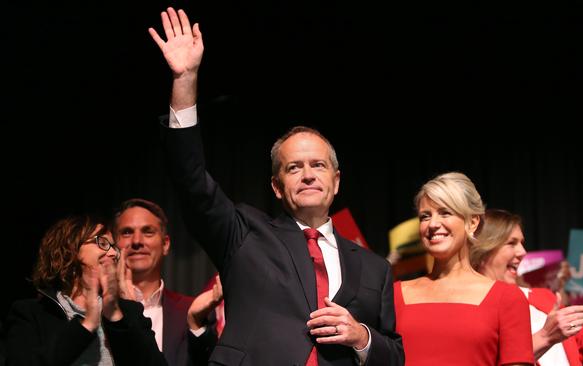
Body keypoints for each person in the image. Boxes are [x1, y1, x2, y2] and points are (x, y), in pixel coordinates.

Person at [149, 7, 404, 365]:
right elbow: (190, 179)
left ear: (336, 180)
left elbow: (394, 355)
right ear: (277, 186)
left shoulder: (375, 268)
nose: (308, 174)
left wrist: (362, 337)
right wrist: (185, 80)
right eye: (294, 168)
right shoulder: (242, 234)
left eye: (318, 165)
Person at [472, 208, 583, 365]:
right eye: (511, 243)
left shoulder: (542, 298)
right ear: (484, 250)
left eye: (521, 243)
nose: (523, 252)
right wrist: (545, 337)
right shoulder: (469, 309)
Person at [393, 172, 534, 365]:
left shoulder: (507, 298)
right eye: (425, 216)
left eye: (445, 212)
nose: (433, 224)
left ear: (473, 222)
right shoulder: (394, 294)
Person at [4, 215, 167, 365]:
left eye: (113, 247)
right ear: (71, 248)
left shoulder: (128, 312)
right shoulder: (31, 313)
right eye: (102, 243)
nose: (112, 253)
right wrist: (86, 325)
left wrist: (115, 316)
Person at [113, 198, 218, 365]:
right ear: (114, 244)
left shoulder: (192, 311)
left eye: (148, 231)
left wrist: (195, 325)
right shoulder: (101, 309)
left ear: (165, 244)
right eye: (127, 232)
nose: (137, 241)